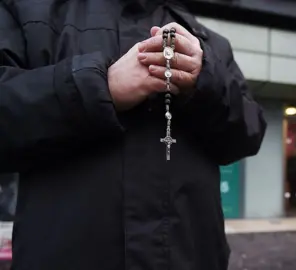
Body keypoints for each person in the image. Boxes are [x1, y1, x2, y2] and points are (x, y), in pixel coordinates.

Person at [0, 1, 267, 269]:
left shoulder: (209, 43)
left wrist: (206, 81)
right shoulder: (29, 11)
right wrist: (100, 86)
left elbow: (249, 133)